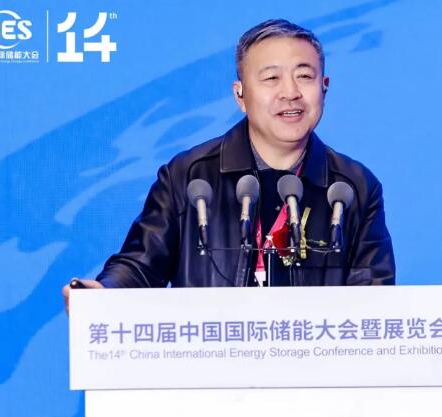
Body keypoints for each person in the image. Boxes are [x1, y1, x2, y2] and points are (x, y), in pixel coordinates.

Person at [63, 19, 395, 312]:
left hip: (313, 358)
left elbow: (373, 296)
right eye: (271, 78)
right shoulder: (189, 175)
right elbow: (141, 265)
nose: (291, 92)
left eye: (304, 76)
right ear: (240, 96)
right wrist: (104, 294)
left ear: (324, 87)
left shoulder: (354, 187)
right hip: (209, 355)